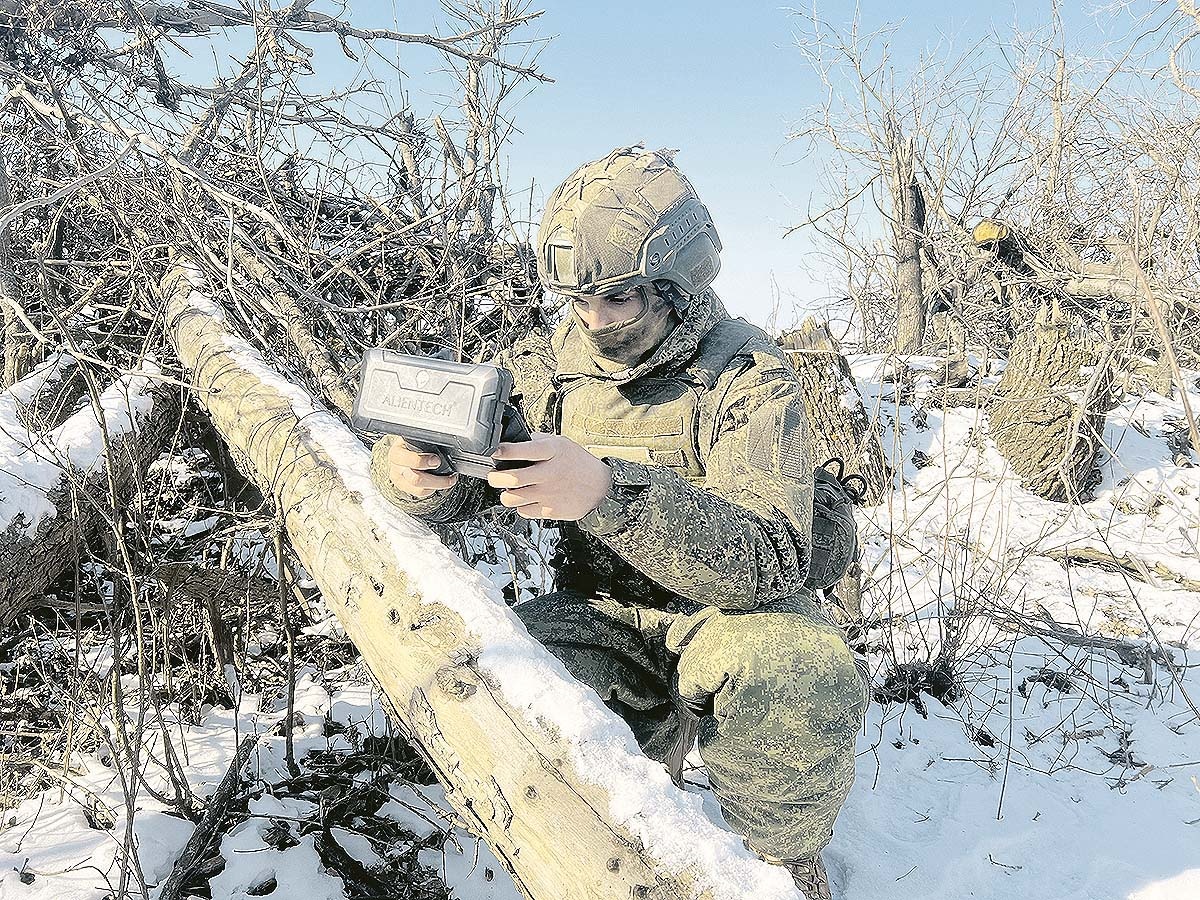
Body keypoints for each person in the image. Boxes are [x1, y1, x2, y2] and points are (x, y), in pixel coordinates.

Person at [371, 145, 866, 898]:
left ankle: (780, 866)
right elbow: (486, 470)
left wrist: (606, 493)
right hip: (605, 615)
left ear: (674, 285)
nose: (596, 321)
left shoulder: (746, 376)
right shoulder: (555, 365)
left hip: (725, 620)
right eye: (580, 301)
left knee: (798, 666)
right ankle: (625, 804)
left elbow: (768, 556)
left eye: (619, 298)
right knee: (507, 677)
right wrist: (421, 478)